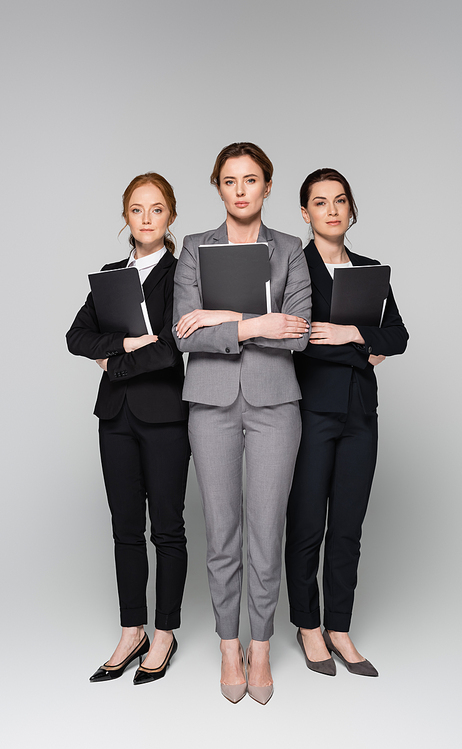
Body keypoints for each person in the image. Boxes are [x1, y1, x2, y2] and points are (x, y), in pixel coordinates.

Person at [173, 142, 311, 703]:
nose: (240, 189)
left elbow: (299, 332)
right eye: (229, 181)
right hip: (210, 401)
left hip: (277, 402)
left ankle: (261, 645)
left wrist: (226, 317)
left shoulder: (289, 248)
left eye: (250, 179)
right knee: (222, 531)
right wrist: (260, 322)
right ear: (218, 187)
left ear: (267, 186)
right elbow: (187, 329)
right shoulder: (193, 248)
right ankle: (228, 643)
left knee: (265, 530)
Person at [66, 173, 189, 685]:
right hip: (114, 418)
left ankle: (164, 633)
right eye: (136, 210)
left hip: (164, 418)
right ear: (125, 218)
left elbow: (170, 348)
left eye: (156, 210)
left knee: (167, 529)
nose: (145, 218)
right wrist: (126, 343)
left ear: (170, 217)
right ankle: (131, 630)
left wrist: (114, 356)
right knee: (124, 530)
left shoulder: (184, 276)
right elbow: (77, 336)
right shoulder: (110, 276)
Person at [285, 168, 408, 677]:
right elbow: (295, 341)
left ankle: (340, 626)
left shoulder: (370, 270)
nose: (332, 210)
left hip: (360, 414)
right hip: (310, 412)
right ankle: (307, 625)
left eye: (340, 201)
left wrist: (349, 334)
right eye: (320, 202)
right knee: (308, 523)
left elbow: (397, 336)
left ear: (351, 209)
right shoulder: (294, 269)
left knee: (349, 528)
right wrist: (361, 343)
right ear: (305, 213)